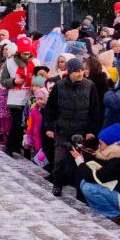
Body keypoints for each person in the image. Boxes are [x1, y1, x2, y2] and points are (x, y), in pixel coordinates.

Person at [43, 57, 102, 196]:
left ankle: (80, 191)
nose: (80, 73)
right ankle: (57, 185)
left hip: (81, 131)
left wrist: (92, 130)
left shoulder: (90, 86)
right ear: (69, 72)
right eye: (76, 71)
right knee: (60, 160)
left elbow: (95, 110)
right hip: (62, 129)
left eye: (81, 70)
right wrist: (49, 127)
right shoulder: (59, 86)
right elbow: (50, 109)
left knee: (80, 162)